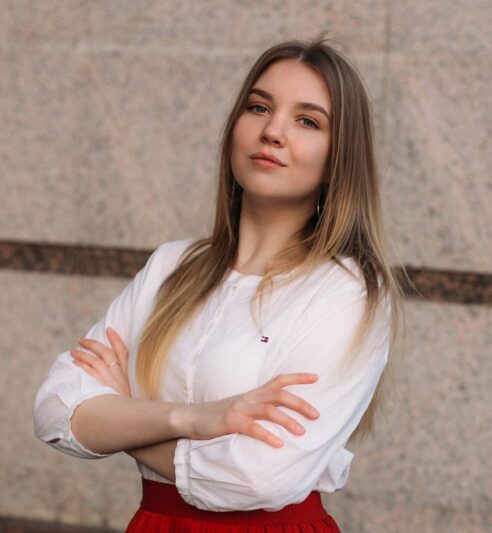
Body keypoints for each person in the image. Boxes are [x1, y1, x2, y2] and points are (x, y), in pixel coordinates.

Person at [33, 36, 406, 532]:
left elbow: (259, 478)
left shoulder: (348, 291)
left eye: (307, 121)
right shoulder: (170, 266)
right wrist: (192, 419)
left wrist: (125, 419)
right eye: (259, 107)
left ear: (340, 157)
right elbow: (55, 410)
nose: (272, 131)